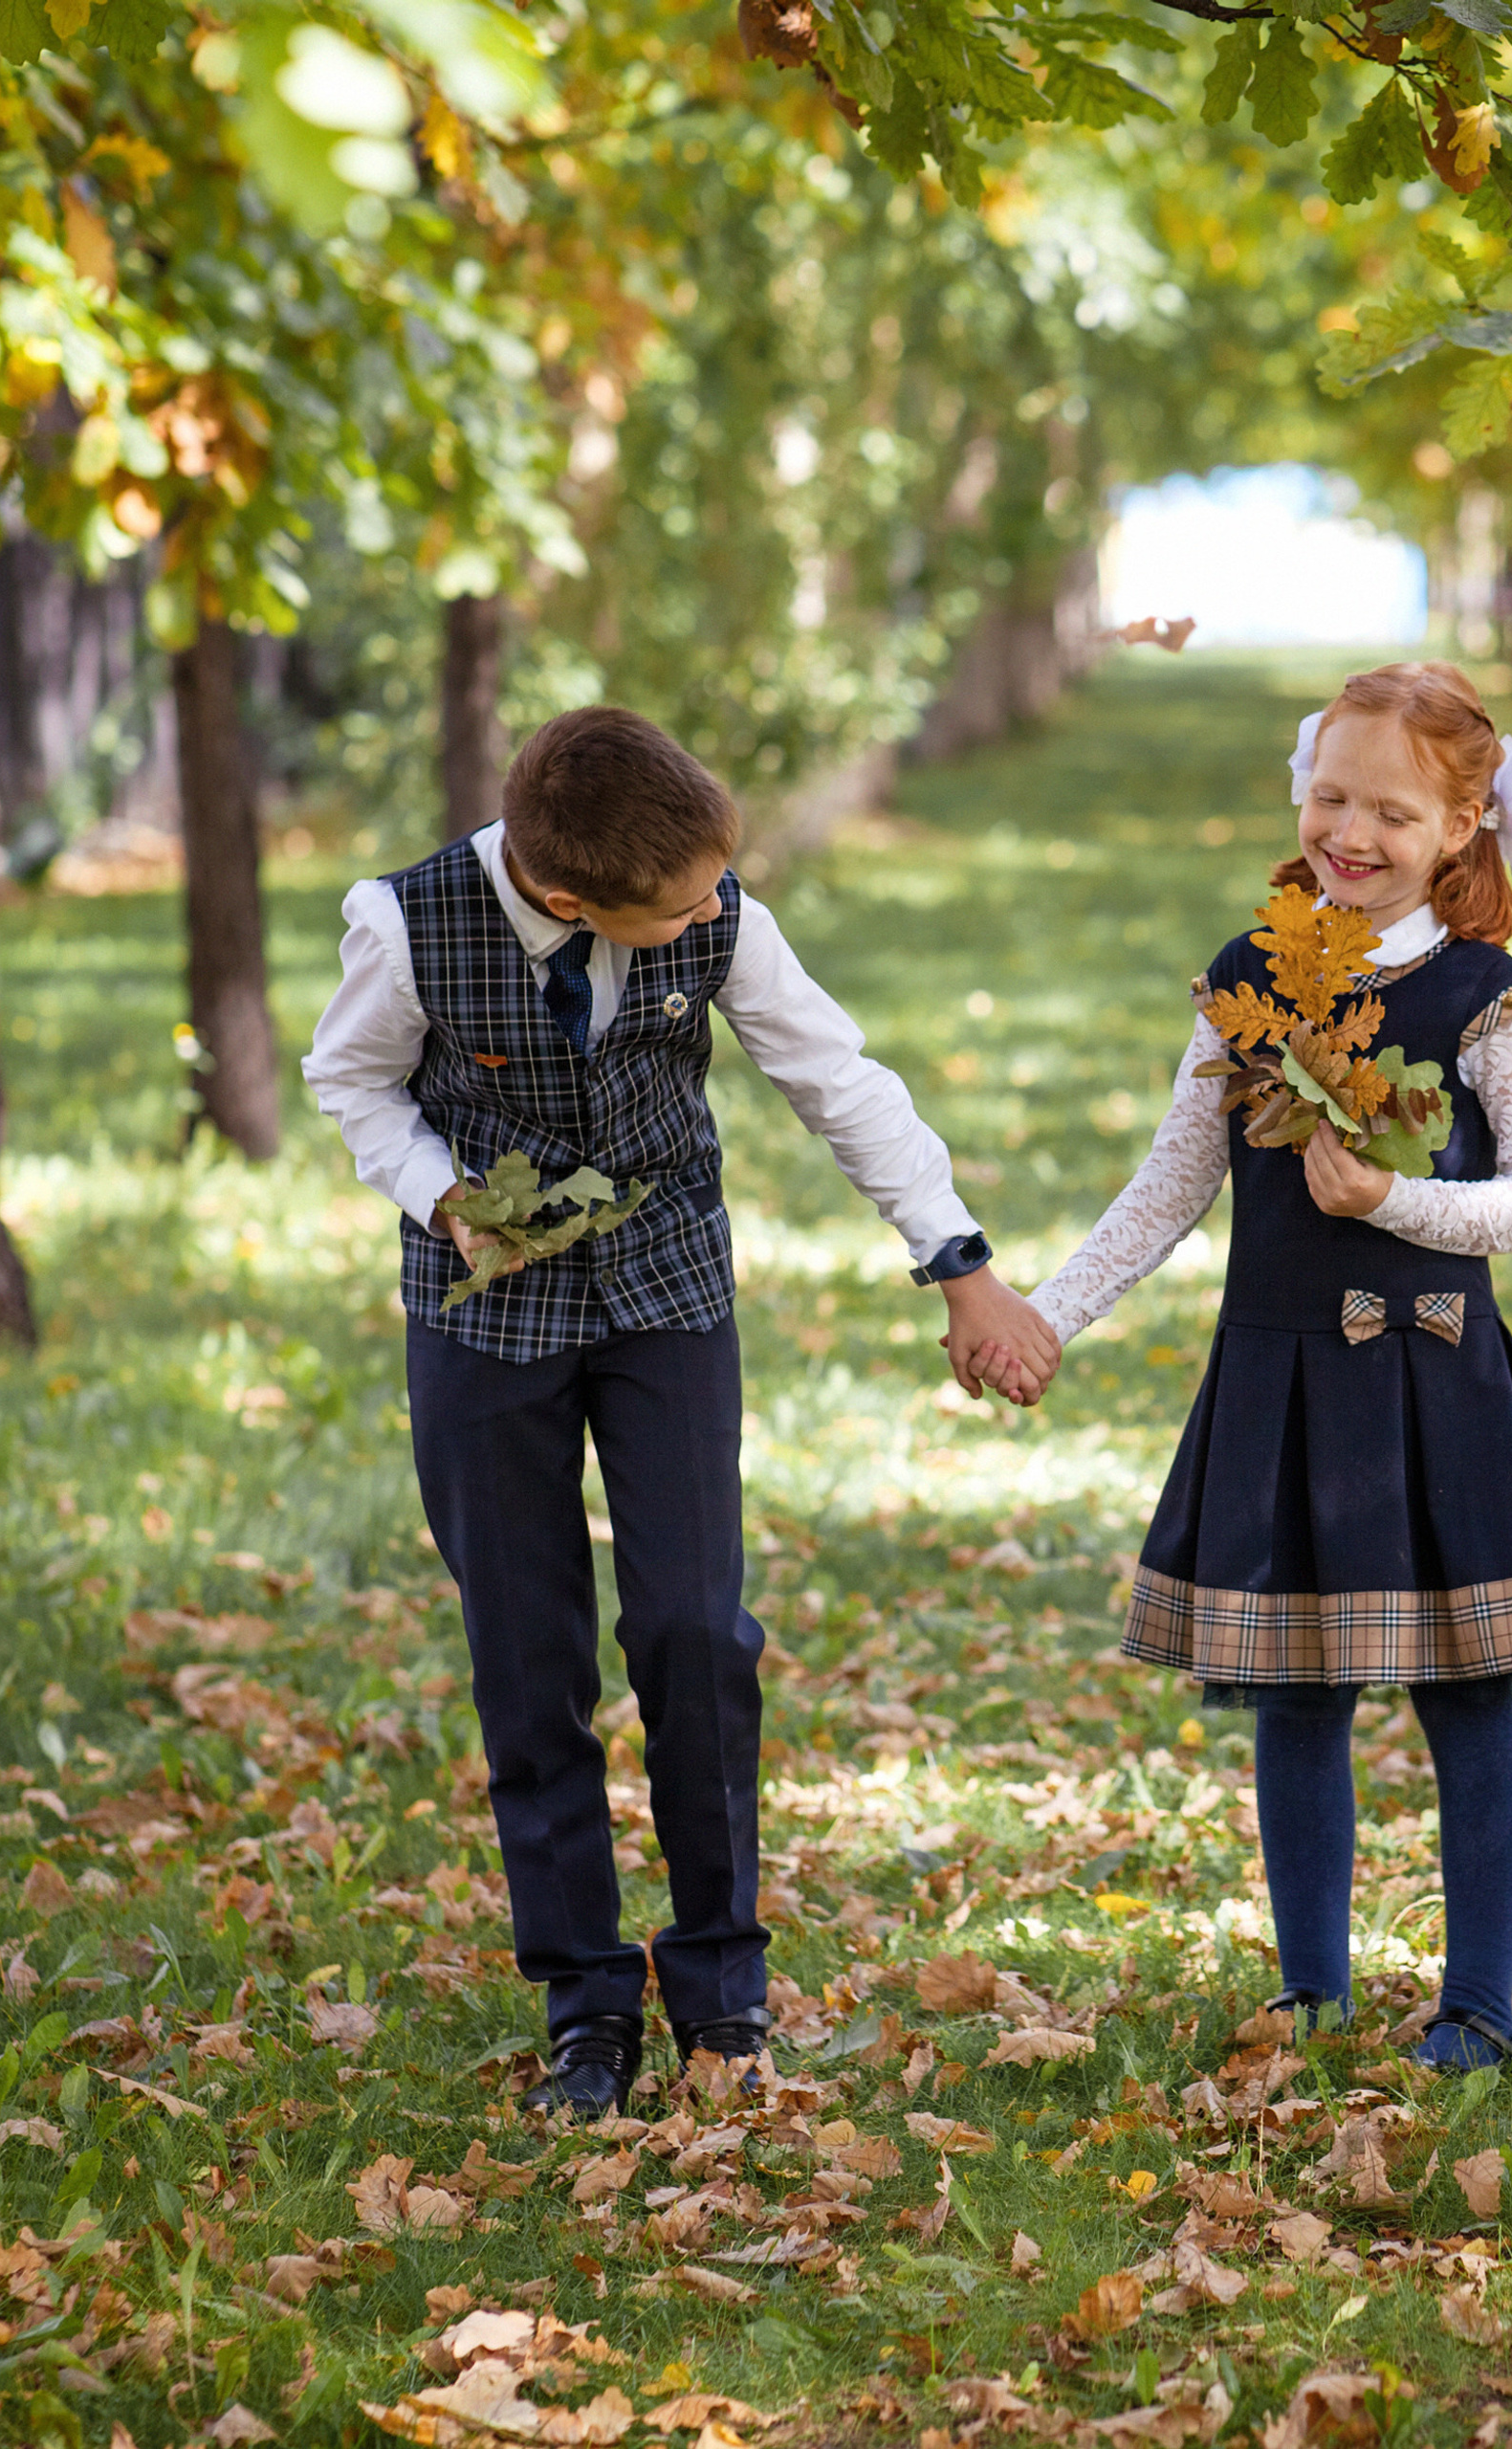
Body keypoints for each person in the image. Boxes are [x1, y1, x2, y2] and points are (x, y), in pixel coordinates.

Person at [303, 706, 1057, 2119]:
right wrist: (439, 1197)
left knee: (695, 1635)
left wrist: (960, 1264)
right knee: (530, 1657)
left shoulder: (716, 914)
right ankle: (584, 2001)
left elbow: (837, 1076)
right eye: (694, 900)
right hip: (485, 1324)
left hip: (667, 1299)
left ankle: (722, 1987)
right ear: (569, 897)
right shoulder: (406, 925)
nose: (721, 908)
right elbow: (349, 1080)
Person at [993, 662, 1512, 2069]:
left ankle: (1479, 2006)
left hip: (1432, 1385)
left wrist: (1391, 1205)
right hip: (1283, 1384)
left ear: (1464, 825)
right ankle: (1313, 1986)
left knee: (1466, 1696)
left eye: (1393, 810)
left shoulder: (1486, 997)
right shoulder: (1249, 978)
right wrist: (1049, 1312)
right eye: (1332, 795)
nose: (1353, 831)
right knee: (1298, 1691)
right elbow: (1169, 1186)